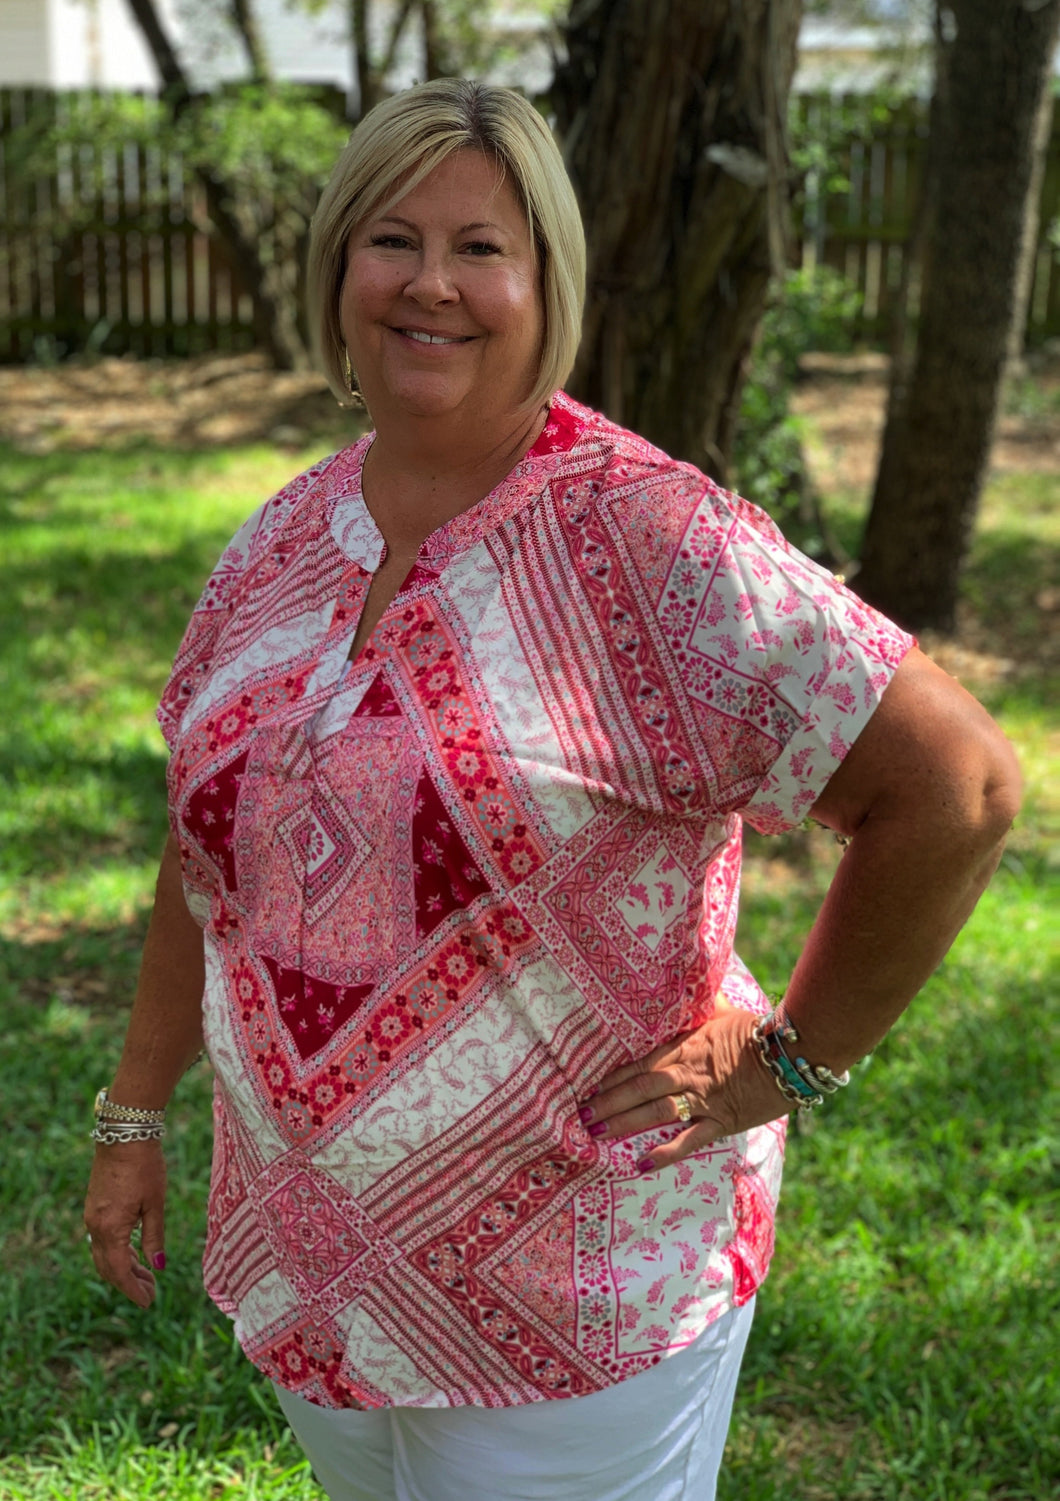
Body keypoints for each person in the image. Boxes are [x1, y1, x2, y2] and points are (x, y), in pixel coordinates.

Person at [84, 78, 1021, 1501]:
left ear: (548, 283)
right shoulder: (279, 544)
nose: (434, 284)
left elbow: (957, 785)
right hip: (317, 1276)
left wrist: (790, 1058)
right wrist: (134, 1104)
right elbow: (209, 852)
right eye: (393, 239)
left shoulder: (652, 541)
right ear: (339, 267)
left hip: (576, 1288)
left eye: (483, 248)